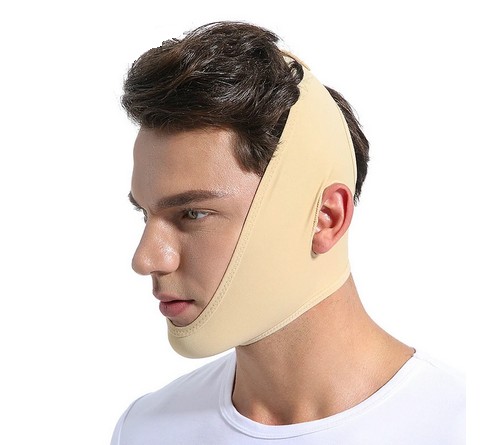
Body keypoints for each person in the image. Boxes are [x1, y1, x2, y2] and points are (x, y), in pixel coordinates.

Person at [111, 21, 465, 444]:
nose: (146, 258)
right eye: (144, 214)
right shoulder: (146, 429)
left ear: (326, 218)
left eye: (192, 213)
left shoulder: (456, 425)